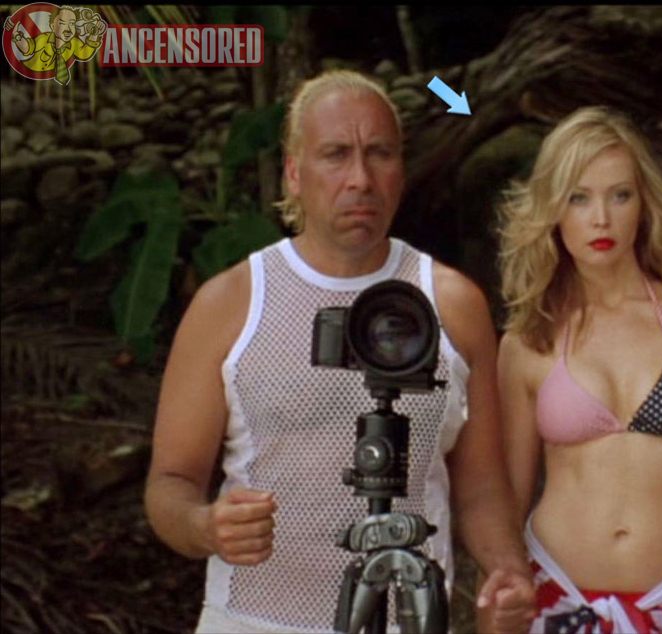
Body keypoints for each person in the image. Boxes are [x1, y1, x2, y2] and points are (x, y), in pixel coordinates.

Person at [144, 69, 535, 634]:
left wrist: (506, 570)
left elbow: (481, 486)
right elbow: (170, 482)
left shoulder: (453, 303)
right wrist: (205, 526)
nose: (361, 179)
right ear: (294, 172)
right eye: (335, 154)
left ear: (402, 169)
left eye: (380, 153)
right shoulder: (231, 303)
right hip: (251, 620)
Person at [496, 106, 662, 633]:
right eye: (579, 198)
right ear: (552, 209)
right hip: (556, 596)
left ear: (645, 204)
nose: (601, 219)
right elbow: (507, 502)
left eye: (620, 195)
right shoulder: (529, 342)